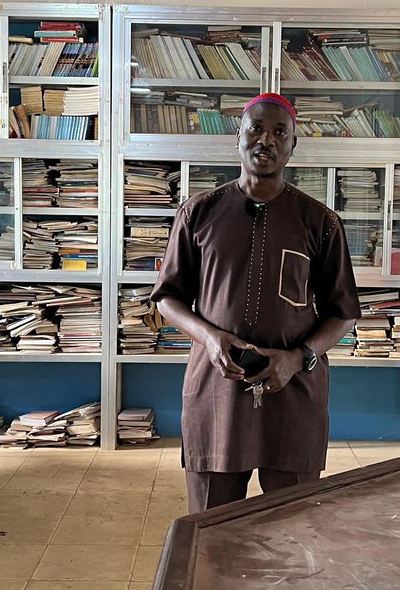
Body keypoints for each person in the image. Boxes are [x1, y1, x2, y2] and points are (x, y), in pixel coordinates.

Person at [152, 93, 360, 514]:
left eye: (279, 132)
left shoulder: (320, 222)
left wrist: (298, 358)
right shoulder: (198, 214)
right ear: (238, 137)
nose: (266, 140)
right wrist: (209, 338)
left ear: (293, 146)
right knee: (212, 527)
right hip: (217, 390)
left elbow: (343, 313)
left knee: (291, 528)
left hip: (294, 392)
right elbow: (168, 299)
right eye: (256, 129)